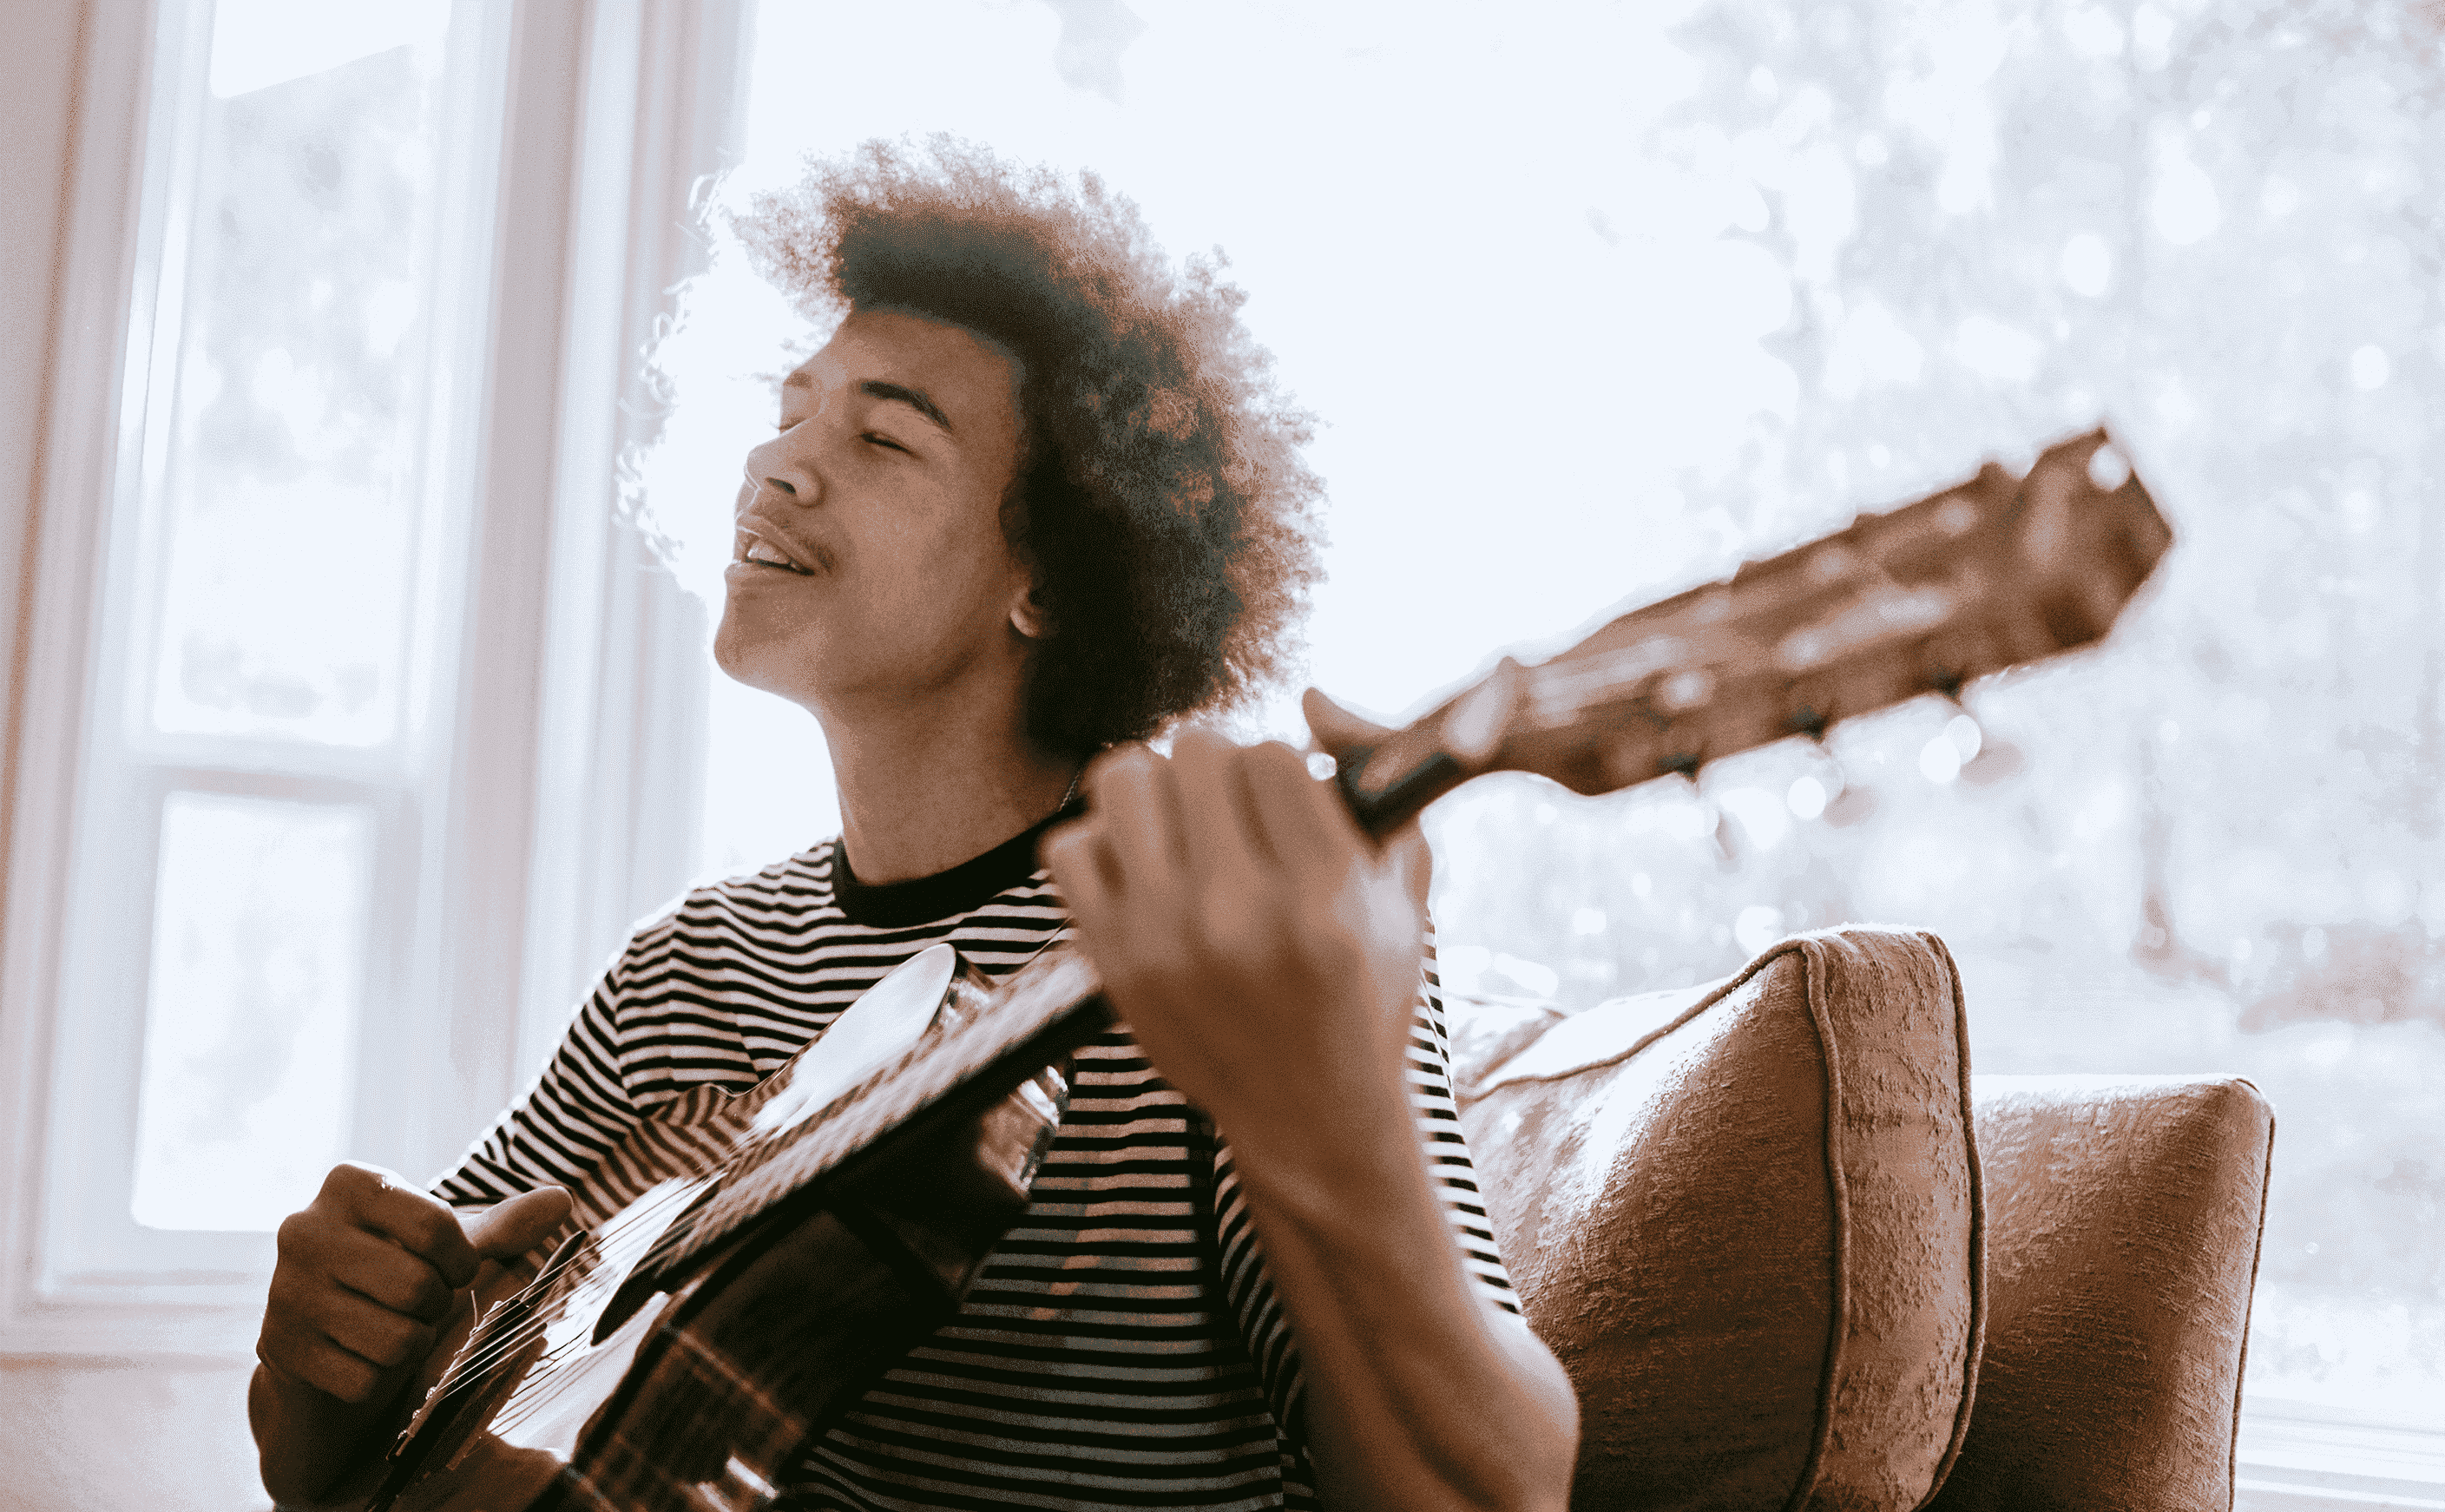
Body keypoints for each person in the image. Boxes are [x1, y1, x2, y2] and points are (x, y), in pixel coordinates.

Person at [249, 137, 1579, 1512]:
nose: (776, 463)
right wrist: (323, 1360)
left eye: (882, 436)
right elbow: (346, 1472)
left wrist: (1328, 1106)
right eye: (791, 406)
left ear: (1052, 581)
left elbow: (1494, 1496)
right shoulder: (686, 969)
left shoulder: (1227, 945)